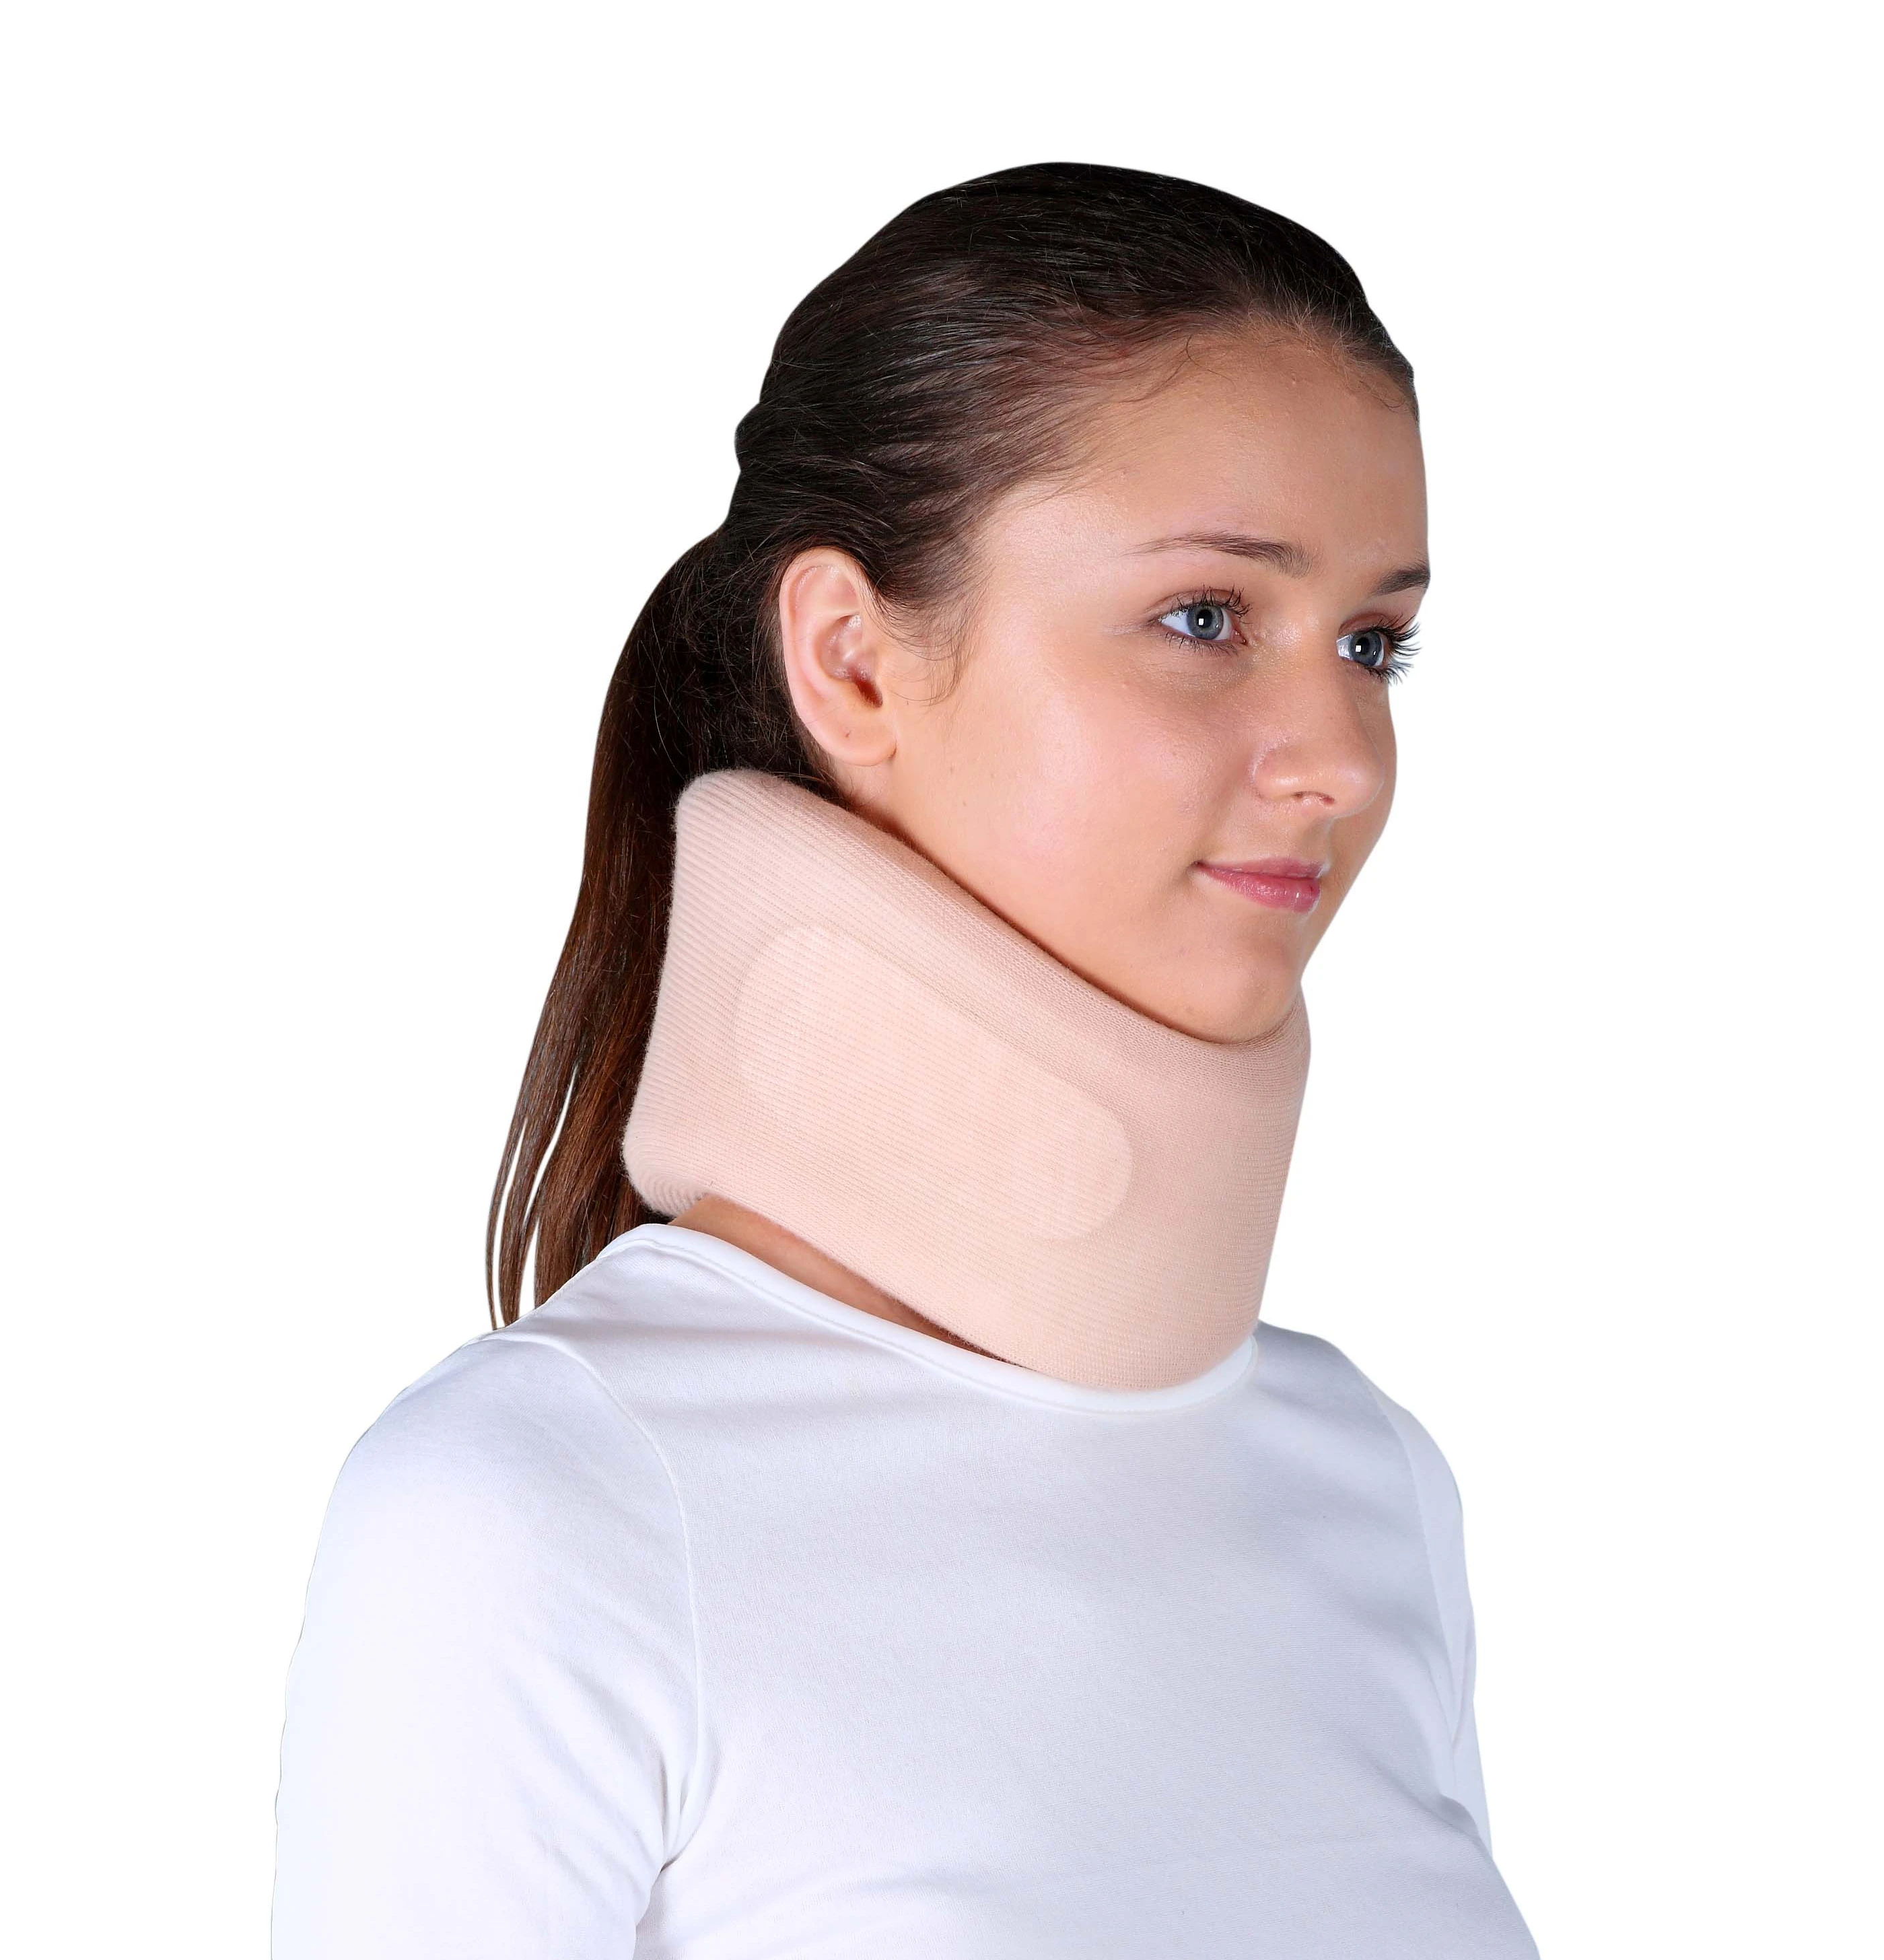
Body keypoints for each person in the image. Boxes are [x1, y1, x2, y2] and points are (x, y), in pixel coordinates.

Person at [270, 160, 1539, 1957]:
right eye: (1205, 619)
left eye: (1373, 644)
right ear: (854, 662)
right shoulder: (539, 1506)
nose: (1342, 755)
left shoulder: (1368, 1483)